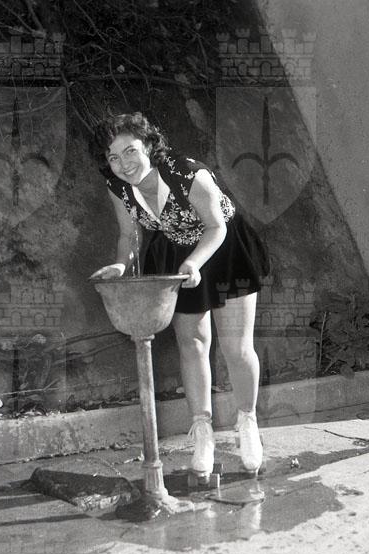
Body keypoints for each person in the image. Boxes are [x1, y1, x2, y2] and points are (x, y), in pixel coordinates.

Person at [90, 112, 270, 479]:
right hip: (177, 254)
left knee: (236, 347)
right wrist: (122, 264)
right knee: (193, 344)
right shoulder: (118, 185)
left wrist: (195, 263)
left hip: (225, 250)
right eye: (113, 157)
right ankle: (202, 432)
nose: (124, 164)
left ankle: (247, 422)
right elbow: (129, 234)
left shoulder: (187, 173)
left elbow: (216, 227)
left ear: (148, 146)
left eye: (130, 151)